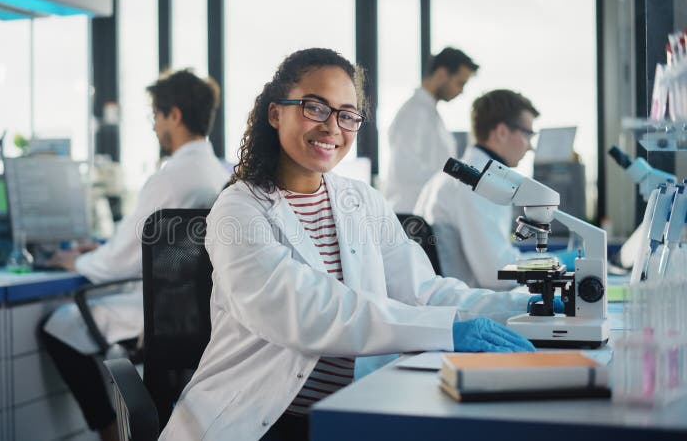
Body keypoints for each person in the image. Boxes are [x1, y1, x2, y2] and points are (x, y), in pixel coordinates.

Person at [159, 48, 539, 441]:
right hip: (260, 420)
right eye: (314, 108)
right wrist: (447, 329)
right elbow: (308, 311)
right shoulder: (237, 210)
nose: (332, 127)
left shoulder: (362, 200)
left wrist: (523, 306)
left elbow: (424, 291)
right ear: (276, 113)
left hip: (356, 409)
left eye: (346, 114)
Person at [41, 69, 230, 441]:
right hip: (195, 313)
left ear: (173, 115)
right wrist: (105, 249)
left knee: (57, 326)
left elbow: (120, 262)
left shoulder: (170, 176)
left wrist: (75, 261)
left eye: (155, 117)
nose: (155, 127)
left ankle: (109, 433)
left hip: (157, 313)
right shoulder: (214, 170)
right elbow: (146, 244)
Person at [413, 89, 545, 289]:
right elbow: (498, 274)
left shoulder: (444, 178)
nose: (530, 147)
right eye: (528, 134)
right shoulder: (482, 185)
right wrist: (556, 264)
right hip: (470, 305)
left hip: (449, 301)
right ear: (501, 132)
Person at [383, 47, 479, 213]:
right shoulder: (413, 113)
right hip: (410, 214)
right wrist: (456, 183)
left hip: (422, 211)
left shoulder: (429, 113)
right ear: (442, 74)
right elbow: (406, 169)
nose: (461, 91)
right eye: (460, 83)